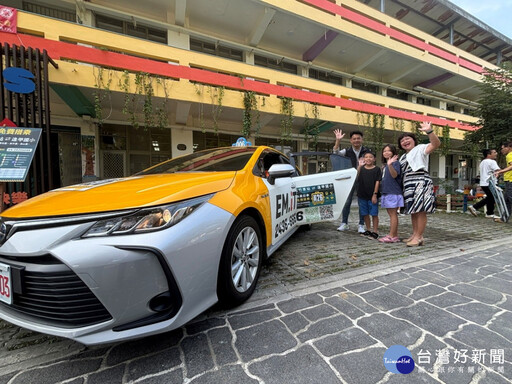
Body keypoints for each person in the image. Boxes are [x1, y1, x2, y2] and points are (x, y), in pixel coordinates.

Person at [398, 122, 441, 247]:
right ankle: (415, 234)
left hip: (420, 180)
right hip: (408, 183)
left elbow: (436, 144)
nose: (405, 141)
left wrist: (429, 131)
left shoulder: (421, 148)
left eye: (408, 139)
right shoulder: (402, 157)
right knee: (413, 210)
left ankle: (418, 237)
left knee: (421, 210)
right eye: (402, 140)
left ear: (414, 141)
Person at [333, 129, 370, 233]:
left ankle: (361, 225)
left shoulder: (367, 151)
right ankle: (344, 223)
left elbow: (371, 162)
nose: (356, 140)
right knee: (347, 201)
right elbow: (335, 153)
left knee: (362, 202)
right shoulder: (347, 151)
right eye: (354, 139)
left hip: (363, 179)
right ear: (350, 140)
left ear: (362, 140)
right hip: (349, 180)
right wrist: (338, 141)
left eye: (358, 138)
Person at [378, 144, 403, 243]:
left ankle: (392, 236)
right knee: (391, 214)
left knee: (393, 214)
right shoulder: (386, 165)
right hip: (387, 191)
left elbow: (394, 175)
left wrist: (390, 165)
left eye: (389, 151)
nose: (386, 152)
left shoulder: (394, 163)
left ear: (393, 152)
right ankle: (394, 235)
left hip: (393, 192)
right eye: (384, 151)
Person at [467, 149, 500, 218]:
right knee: (491, 197)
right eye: (494, 152)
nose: (496, 153)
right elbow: (498, 171)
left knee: (490, 197)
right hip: (490, 183)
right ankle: (478, 208)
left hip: (483, 183)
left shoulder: (482, 162)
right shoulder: (492, 162)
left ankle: (488, 212)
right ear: (489, 154)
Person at [357, 151, 382, 239]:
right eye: (366, 157)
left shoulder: (377, 169)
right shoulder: (362, 168)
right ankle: (368, 230)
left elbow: (377, 181)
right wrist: (359, 166)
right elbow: (357, 176)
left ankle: (375, 232)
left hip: (372, 195)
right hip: (362, 195)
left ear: (374, 159)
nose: (368, 159)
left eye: (370, 157)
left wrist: (375, 194)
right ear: (363, 159)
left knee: (374, 213)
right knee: (365, 213)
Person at [496, 141, 512, 218]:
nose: (502, 150)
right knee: (507, 200)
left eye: (503, 148)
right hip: (509, 180)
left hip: (510, 181)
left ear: (508, 147)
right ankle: (504, 218)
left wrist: (500, 171)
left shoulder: (510, 155)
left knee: (510, 199)